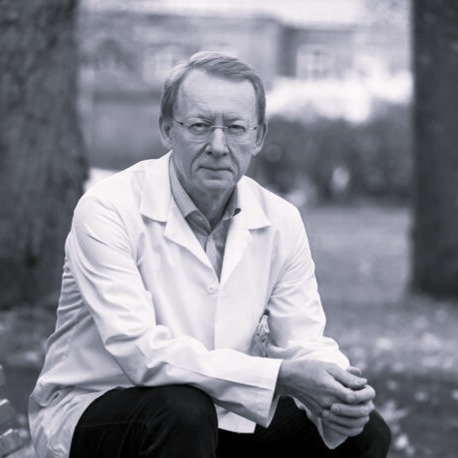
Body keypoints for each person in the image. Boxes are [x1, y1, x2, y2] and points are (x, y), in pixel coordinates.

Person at [29, 51, 391, 458]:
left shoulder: (281, 220)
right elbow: (140, 352)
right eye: (199, 125)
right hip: (98, 408)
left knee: (361, 433)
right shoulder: (107, 209)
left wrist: (341, 388)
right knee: (182, 410)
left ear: (258, 137)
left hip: (221, 414)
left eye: (235, 128)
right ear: (167, 130)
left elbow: (302, 339)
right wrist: (278, 377)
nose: (218, 146)